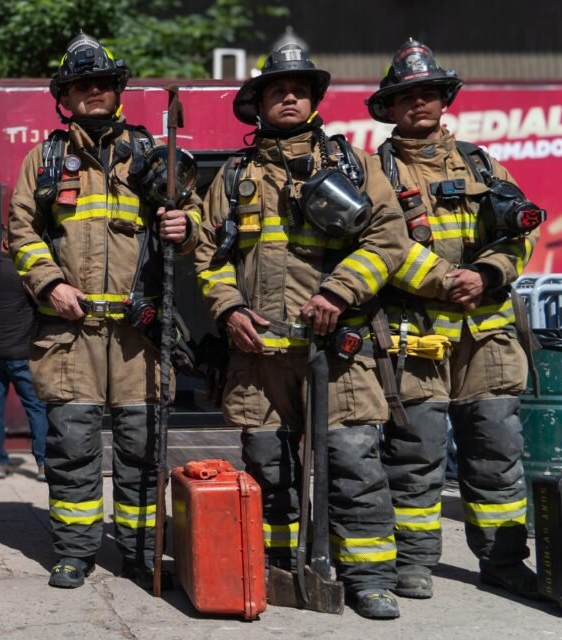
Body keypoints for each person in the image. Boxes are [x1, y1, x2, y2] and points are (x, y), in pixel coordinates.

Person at [193, 43, 408, 619]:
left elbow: (388, 237)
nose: (289, 96)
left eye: (300, 89)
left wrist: (338, 292)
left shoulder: (352, 164)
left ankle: (367, 578)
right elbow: (206, 256)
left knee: (354, 460)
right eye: (276, 89)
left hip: (335, 352)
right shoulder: (235, 176)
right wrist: (229, 308)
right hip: (259, 354)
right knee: (269, 466)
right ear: (257, 102)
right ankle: (281, 569)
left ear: (314, 100)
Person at [7, 33, 201, 591]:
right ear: (65, 97)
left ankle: (139, 550)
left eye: (102, 83)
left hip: (140, 335)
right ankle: (74, 551)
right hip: (71, 332)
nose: (92, 92)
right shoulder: (44, 160)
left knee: (142, 451)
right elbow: (21, 232)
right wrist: (48, 284)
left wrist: (182, 228)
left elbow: (197, 234)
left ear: (117, 90)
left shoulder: (150, 156)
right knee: (72, 447)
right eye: (80, 85)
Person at [367, 39, 541, 600]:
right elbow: (383, 244)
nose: (420, 103)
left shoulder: (485, 164)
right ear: (390, 107)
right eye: (407, 95)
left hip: (487, 338)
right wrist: (448, 280)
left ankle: (504, 562)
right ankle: (415, 563)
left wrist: (488, 274)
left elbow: (521, 234)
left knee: (496, 451)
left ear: (444, 100)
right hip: (414, 338)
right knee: (414, 454)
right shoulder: (376, 171)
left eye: (429, 93)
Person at [0, 230, 48, 481]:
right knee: (36, 408)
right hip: (23, 353)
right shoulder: (24, 272)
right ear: (7, 243)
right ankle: (43, 463)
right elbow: (42, 305)